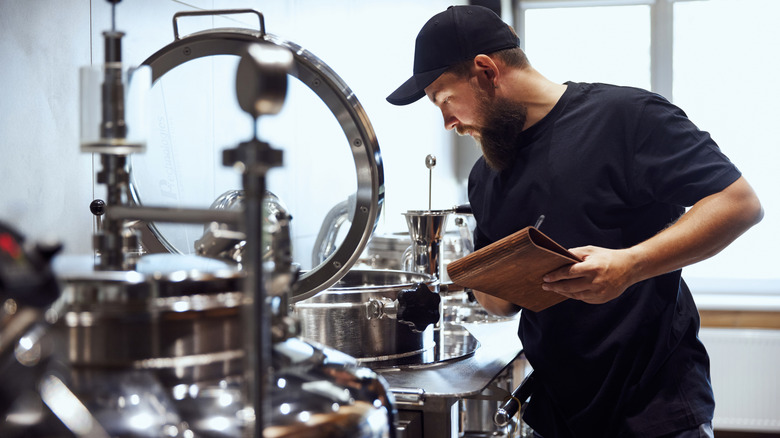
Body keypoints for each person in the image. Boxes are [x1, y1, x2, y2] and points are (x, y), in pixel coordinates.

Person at [386, 5, 763, 438]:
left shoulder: (626, 117)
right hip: (556, 415)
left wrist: (630, 265)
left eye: (444, 99)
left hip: (654, 409)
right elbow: (502, 303)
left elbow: (738, 204)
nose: (448, 122)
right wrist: (477, 281)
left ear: (486, 71)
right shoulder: (486, 175)